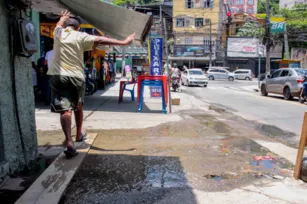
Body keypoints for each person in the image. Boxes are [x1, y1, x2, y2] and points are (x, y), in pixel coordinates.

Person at [47, 10, 135, 158]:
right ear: (78, 28)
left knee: (65, 110)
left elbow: (58, 24)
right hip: (76, 76)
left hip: (58, 76)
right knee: (78, 105)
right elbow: (100, 40)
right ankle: (79, 133)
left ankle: (69, 142)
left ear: (65, 26)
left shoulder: (58, 33)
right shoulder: (81, 36)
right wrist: (124, 42)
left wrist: (63, 18)